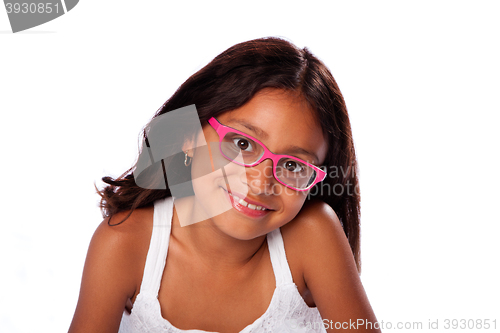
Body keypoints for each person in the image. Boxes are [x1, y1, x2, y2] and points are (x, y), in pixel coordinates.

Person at [68, 37, 380, 333]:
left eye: (293, 165)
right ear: (189, 136)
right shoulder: (125, 244)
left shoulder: (312, 236)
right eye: (242, 145)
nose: (260, 182)